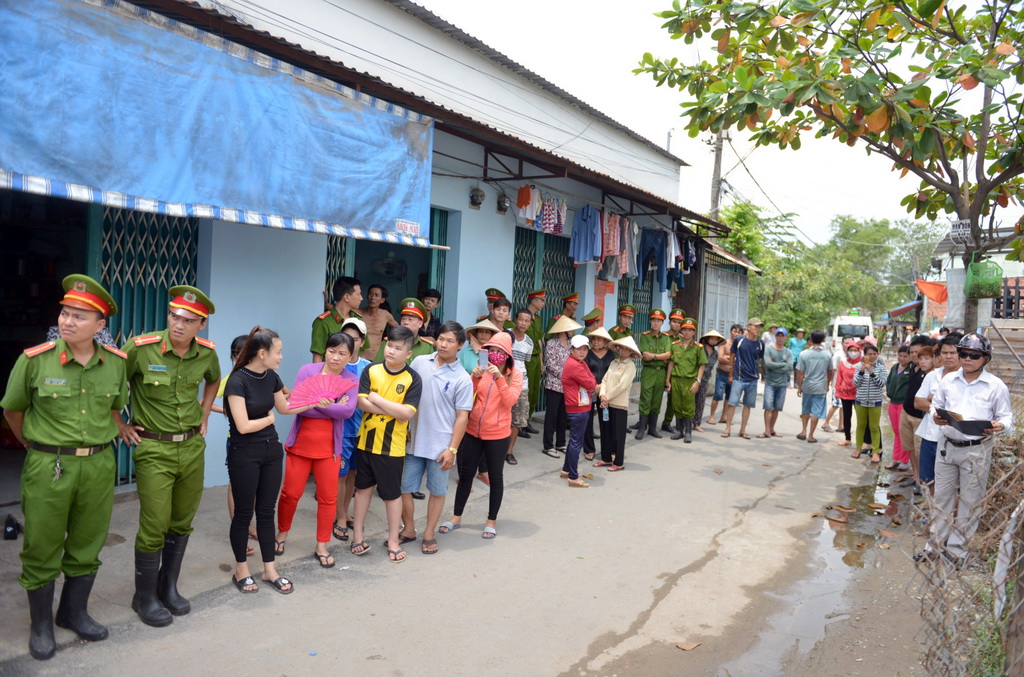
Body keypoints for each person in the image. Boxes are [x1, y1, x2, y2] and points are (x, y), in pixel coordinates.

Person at [2, 275, 127, 660]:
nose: (68, 321)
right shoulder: (34, 360)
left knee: (89, 540)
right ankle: (40, 625)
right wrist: (34, 445)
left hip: (98, 464)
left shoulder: (116, 364)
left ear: (100, 325)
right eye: (65, 313)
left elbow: (114, 409)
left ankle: (73, 612)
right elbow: (12, 410)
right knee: (41, 542)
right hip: (48, 463)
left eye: (79, 316)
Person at [118, 286, 219, 627]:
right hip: (154, 449)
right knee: (154, 524)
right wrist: (119, 423)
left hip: (191, 447)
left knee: (181, 521)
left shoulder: (205, 353)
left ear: (200, 325)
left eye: (188, 320)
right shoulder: (140, 348)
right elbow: (109, 382)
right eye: (174, 316)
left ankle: (167, 586)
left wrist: (204, 414)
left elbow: (213, 380)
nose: (179, 324)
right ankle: (143, 596)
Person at [224, 326, 322, 595]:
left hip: (270, 451)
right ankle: (241, 569)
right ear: (263, 353)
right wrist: (267, 420)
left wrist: (315, 402)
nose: (281, 357)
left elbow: (284, 407)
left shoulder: (271, 377)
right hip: (244, 453)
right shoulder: (237, 381)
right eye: (278, 352)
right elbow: (242, 425)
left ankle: (269, 569)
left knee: (267, 512)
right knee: (244, 513)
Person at [917, 333, 1013, 567]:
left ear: (985, 358)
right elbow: (935, 407)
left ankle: (957, 551)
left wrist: (1000, 426)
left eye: (974, 355)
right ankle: (935, 546)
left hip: (976, 450)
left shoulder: (995, 386)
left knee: (970, 502)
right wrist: (937, 416)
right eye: (963, 354)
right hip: (947, 447)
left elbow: (1007, 418)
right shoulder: (948, 381)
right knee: (942, 499)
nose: (967, 358)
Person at [275, 333, 359, 568]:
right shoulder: (308, 371)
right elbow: (298, 406)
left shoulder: (350, 379)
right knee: (290, 493)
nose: (336, 357)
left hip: (330, 449)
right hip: (300, 445)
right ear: (325, 351)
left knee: (328, 498)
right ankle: (282, 533)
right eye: (332, 351)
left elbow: (348, 412)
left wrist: (319, 404)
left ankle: (322, 544)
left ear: (350, 357)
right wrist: (331, 405)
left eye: (343, 353)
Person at [350, 326, 422, 563]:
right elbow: (361, 403)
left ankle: (393, 540)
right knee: (362, 491)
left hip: (392, 447)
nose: (391, 351)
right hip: (366, 443)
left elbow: (407, 413)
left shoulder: (412, 378)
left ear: (408, 353)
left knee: (392, 495)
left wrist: (377, 398)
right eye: (389, 345)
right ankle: (357, 536)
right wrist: (394, 409)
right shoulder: (371, 370)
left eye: (398, 348)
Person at [400, 322, 472, 554]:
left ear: (460, 345)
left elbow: (462, 417)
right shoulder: (420, 362)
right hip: (413, 441)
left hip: (441, 446)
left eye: (450, 340)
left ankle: (429, 533)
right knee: (404, 488)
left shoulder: (463, 378)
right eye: (441, 338)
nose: (444, 344)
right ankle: (409, 529)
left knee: (437, 491)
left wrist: (452, 449)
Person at [442, 330, 523, 538]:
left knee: (495, 477)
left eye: (499, 351)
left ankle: (491, 520)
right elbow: (468, 398)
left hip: (498, 435)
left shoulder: (515, 374)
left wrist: (498, 378)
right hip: (472, 431)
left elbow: (509, 402)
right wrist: (475, 378)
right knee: (465, 475)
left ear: (507, 355)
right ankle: (456, 517)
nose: (494, 354)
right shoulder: (482, 370)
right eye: (491, 350)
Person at [213, 335, 257, 557]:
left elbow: (284, 393)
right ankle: (240, 529)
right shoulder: (231, 379)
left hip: (259, 439)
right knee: (236, 486)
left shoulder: (262, 374)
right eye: (239, 354)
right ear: (233, 356)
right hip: (238, 440)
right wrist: (230, 412)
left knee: (255, 486)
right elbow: (206, 402)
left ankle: (249, 526)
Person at [333, 318, 371, 541]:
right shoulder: (336, 365)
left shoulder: (368, 367)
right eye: (346, 338)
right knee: (340, 474)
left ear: (362, 342)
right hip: (341, 431)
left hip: (362, 431)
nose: (350, 343)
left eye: (355, 339)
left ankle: (344, 511)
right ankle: (339, 517)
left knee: (353, 475)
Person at [912, 333, 962, 491]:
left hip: (953, 439)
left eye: (953, 353)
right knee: (928, 480)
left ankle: (948, 515)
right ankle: (932, 513)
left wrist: (933, 400)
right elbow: (918, 402)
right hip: (930, 436)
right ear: (939, 355)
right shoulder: (932, 376)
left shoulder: (965, 378)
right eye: (945, 353)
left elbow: (961, 408)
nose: (948, 357)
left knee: (950, 483)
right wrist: (942, 406)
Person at [595, 336, 640, 470]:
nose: (624, 350)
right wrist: (602, 394)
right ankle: (606, 458)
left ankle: (619, 462)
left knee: (618, 434)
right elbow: (605, 379)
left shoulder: (630, 366)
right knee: (605, 431)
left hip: (619, 404)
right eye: (622, 347)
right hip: (606, 402)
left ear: (631, 351)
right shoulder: (614, 362)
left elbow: (622, 386)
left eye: (627, 349)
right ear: (618, 348)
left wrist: (606, 397)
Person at [542, 315, 581, 457]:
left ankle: (560, 443)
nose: (572, 332)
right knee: (551, 416)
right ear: (563, 330)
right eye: (570, 329)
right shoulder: (552, 343)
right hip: (554, 385)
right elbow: (551, 365)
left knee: (563, 416)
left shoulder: (572, 345)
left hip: (568, 386)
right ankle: (548, 445)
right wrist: (567, 375)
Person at [561, 334, 596, 487]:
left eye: (585, 349)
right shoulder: (575, 365)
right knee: (576, 442)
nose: (582, 352)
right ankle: (573, 477)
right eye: (579, 349)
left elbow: (590, 379)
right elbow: (590, 383)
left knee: (573, 441)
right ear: (572, 349)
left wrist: (591, 380)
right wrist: (592, 381)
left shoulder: (579, 362)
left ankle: (566, 470)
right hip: (578, 407)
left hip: (578, 406)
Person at [721, 318, 765, 440]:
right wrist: (731, 374)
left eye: (759, 327)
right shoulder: (740, 341)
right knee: (732, 404)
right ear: (749, 327)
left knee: (748, 405)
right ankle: (727, 429)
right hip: (739, 378)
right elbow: (732, 356)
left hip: (753, 380)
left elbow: (759, 360)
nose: (758, 329)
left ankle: (743, 430)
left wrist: (759, 375)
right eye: (755, 326)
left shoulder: (761, 343)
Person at [900, 339, 935, 491]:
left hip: (920, 418)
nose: (917, 357)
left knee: (921, 451)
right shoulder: (912, 369)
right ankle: (915, 477)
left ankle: (923, 482)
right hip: (906, 412)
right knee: (910, 448)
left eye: (922, 356)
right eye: (914, 353)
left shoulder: (932, 375)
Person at [666, 318, 707, 443]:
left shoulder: (698, 347)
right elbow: (671, 363)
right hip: (676, 380)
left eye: (690, 330)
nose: (687, 332)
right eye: (685, 329)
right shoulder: (675, 346)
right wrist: (667, 380)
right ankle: (679, 431)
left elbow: (702, 365)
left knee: (688, 407)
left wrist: (697, 381)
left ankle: (688, 432)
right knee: (677, 405)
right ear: (681, 331)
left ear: (694, 332)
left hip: (689, 381)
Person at [635, 309, 672, 440]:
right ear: (650, 321)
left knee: (657, 400)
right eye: (653, 320)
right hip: (648, 371)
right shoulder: (645, 336)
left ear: (662, 323)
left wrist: (654, 356)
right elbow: (645, 355)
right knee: (645, 398)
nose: (656, 323)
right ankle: (641, 428)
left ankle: (652, 428)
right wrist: (661, 357)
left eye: (658, 321)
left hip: (660, 372)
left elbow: (669, 354)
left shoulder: (666, 338)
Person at [506, 309, 535, 464]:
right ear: (515, 320)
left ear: (530, 323)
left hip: (522, 384)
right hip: (503, 381)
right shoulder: (505, 335)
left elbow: (525, 361)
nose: (523, 323)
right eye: (521, 319)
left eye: (527, 321)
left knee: (518, 419)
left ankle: (509, 451)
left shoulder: (529, 342)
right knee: (501, 417)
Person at [852, 340, 887, 463]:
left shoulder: (881, 368)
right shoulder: (858, 367)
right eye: (869, 354)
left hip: (875, 402)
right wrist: (862, 370)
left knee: (874, 427)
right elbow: (856, 383)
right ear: (864, 355)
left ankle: (875, 452)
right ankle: (858, 448)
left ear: (877, 354)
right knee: (860, 426)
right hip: (860, 401)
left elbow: (881, 384)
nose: (872, 356)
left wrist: (871, 372)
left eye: (874, 354)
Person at [311, 276, 362, 362]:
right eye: (358, 294)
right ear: (347, 297)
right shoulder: (323, 322)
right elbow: (318, 357)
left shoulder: (358, 320)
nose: (361, 298)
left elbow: (362, 352)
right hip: (330, 374)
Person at [582, 327, 614, 461]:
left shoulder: (611, 354)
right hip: (587, 391)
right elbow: (582, 371)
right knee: (587, 421)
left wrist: (602, 387)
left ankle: (608, 450)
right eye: (593, 339)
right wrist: (593, 386)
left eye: (599, 339)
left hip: (605, 392)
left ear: (605, 340)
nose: (595, 342)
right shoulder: (587, 353)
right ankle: (589, 449)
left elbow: (612, 373)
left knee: (606, 421)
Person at [796, 329, 832, 443]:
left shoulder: (804, 354)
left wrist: (799, 386)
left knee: (806, 409)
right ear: (823, 340)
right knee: (816, 412)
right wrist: (827, 384)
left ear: (810, 339)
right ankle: (811, 435)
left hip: (807, 386)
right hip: (820, 387)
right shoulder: (827, 355)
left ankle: (803, 431)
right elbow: (830, 371)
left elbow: (800, 372)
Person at [373, 298, 435, 363]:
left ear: (420, 324)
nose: (405, 322)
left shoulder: (427, 347)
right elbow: (376, 366)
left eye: (410, 320)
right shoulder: (388, 342)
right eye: (403, 319)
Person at [884, 345, 912, 471]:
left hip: (903, 403)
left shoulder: (911, 369)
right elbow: (889, 381)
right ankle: (895, 459)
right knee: (896, 432)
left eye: (905, 356)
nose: (902, 358)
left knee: (903, 433)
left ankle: (904, 460)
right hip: (893, 403)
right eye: (900, 355)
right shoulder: (895, 367)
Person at [760, 328, 793, 438]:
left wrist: (776, 365)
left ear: (786, 337)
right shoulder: (769, 349)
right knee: (768, 407)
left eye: (782, 336)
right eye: (778, 335)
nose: (780, 338)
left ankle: (771, 429)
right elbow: (768, 364)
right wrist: (782, 365)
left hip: (782, 384)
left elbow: (789, 366)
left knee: (776, 408)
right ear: (775, 337)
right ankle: (766, 430)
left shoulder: (788, 352)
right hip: (770, 383)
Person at [707, 324, 742, 425]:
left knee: (729, 397)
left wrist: (729, 358)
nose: (736, 334)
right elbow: (720, 358)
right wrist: (734, 360)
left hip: (734, 375)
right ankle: (712, 416)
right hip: (721, 373)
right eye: (735, 331)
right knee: (717, 395)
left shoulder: (741, 345)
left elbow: (741, 360)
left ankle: (724, 416)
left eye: (739, 332)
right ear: (731, 331)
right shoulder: (724, 343)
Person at [660, 309, 687, 433]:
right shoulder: (663, 336)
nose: (676, 324)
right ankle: (646, 422)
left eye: (679, 322)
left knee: (673, 399)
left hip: (675, 371)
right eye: (674, 321)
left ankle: (667, 422)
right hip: (660, 369)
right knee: (654, 397)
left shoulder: (683, 339)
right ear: (669, 322)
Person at [822, 336, 857, 433]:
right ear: (842, 343)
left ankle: (841, 426)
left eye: (850, 343)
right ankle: (826, 423)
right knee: (835, 405)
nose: (848, 345)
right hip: (838, 385)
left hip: (848, 387)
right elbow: (832, 370)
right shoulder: (838, 355)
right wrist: (829, 383)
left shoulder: (853, 354)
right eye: (846, 343)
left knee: (843, 407)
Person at [692, 329, 725, 433]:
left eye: (716, 339)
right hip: (694, 378)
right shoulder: (699, 349)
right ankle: (685, 423)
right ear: (707, 339)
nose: (713, 341)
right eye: (712, 338)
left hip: (705, 380)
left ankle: (696, 424)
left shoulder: (715, 353)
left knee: (700, 402)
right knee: (689, 402)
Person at [523, 289, 546, 432]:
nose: (543, 303)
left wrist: (542, 362)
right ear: (534, 301)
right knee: (525, 390)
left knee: (534, 391)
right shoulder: (523, 318)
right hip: (526, 359)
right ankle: (520, 423)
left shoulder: (538, 319)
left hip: (536, 358)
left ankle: (527, 420)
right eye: (541, 300)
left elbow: (539, 340)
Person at [833, 338, 862, 450]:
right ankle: (847, 438)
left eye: (855, 350)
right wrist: (837, 390)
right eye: (851, 350)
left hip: (858, 394)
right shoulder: (843, 362)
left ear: (859, 350)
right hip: (845, 393)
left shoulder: (862, 362)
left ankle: (862, 440)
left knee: (861, 418)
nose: (853, 352)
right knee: (846, 416)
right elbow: (839, 377)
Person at [358, 284, 398, 361]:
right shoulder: (358, 313)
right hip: (360, 358)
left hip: (378, 358)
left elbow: (399, 330)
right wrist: (326, 304)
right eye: (370, 294)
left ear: (382, 300)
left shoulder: (385, 315)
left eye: (376, 295)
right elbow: (341, 310)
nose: (373, 298)